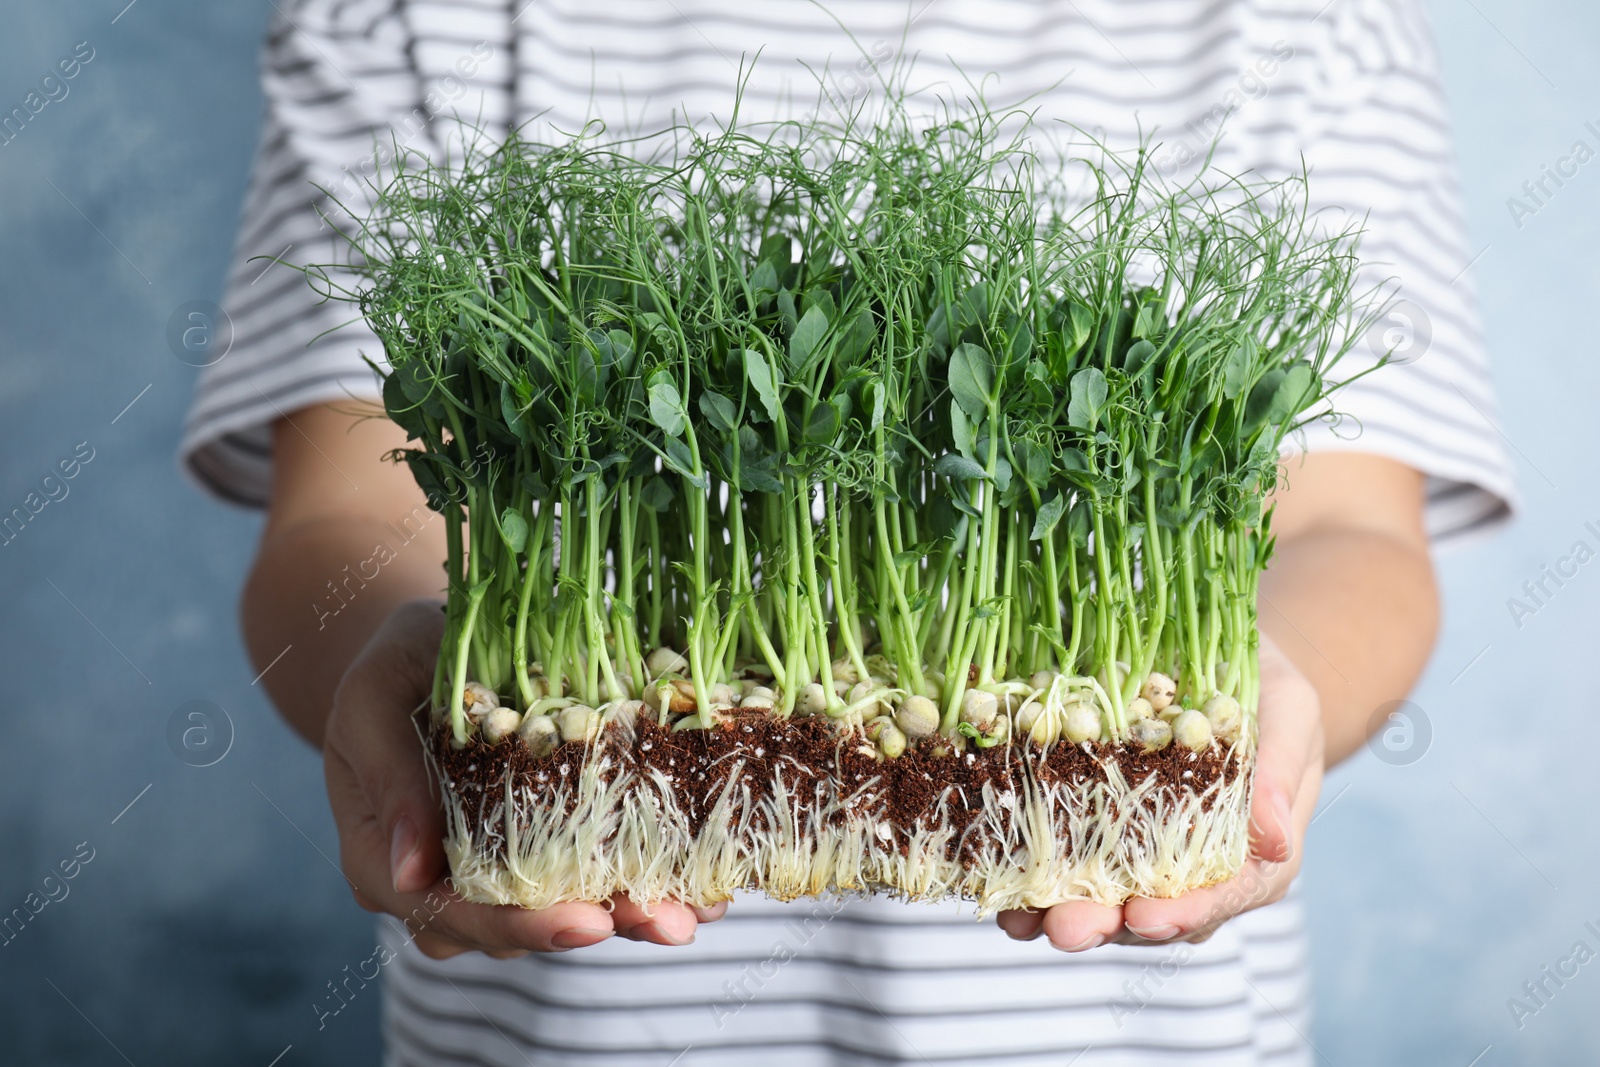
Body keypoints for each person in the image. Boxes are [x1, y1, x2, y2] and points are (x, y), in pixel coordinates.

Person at [183, 1, 1513, 1063]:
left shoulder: (1309, 19)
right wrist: (413, 679)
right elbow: (346, 515)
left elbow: (1355, 532)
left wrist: (1267, 709)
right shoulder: (412, 16)